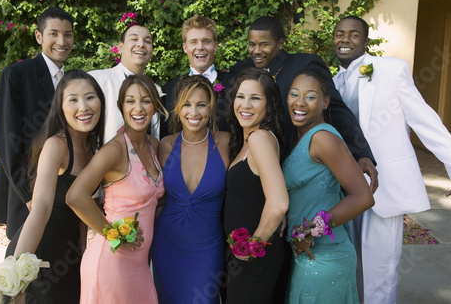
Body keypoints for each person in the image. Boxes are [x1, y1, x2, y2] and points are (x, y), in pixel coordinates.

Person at [332, 15, 451, 304]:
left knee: (380, 270)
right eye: (340, 34)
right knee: (351, 267)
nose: (345, 39)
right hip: (345, 188)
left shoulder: (389, 69)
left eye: (353, 34)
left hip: (384, 187)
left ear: (365, 40)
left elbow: (423, 119)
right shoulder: (332, 81)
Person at [229, 16, 377, 184]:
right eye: (252, 44)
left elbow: (335, 109)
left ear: (280, 44)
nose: (256, 51)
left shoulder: (304, 63)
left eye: (264, 44)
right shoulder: (241, 70)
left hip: (295, 166)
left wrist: (362, 153)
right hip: (252, 167)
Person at [5, 70, 105, 303]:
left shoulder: (94, 148)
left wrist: (82, 254)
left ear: (100, 100)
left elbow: (84, 209)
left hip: (69, 257)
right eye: (73, 99)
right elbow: (40, 207)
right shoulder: (56, 145)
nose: (84, 107)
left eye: (90, 97)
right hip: (37, 254)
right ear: (60, 107)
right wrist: (17, 272)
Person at [66, 74, 168, 304]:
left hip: (140, 266)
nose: (138, 108)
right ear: (121, 106)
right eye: (130, 101)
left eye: (146, 100)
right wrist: (117, 236)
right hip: (112, 262)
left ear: (155, 106)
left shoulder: (154, 145)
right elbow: (75, 196)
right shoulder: (114, 149)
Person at [283, 68, 374, 303]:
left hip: (324, 257)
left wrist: (309, 230)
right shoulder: (304, 135)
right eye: (294, 94)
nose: (300, 102)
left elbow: (362, 197)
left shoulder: (323, 138)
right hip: (307, 253)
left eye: (310, 96)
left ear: (326, 102)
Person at [0, 7, 74, 240]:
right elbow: (6, 139)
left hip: (64, 193)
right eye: (54, 34)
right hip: (27, 193)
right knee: (24, 267)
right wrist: (30, 194)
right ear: (39, 37)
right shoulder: (17, 75)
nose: (62, 41)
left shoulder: (74, 80)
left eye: (68, 34)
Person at [152, 75, 230, 304]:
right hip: (167, 243)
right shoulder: (166, 144)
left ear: (211, 107)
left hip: (208, 246)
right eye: (186, 104)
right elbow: (152, 194)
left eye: (201, 104)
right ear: (177, 108)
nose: (193, 112)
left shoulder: (226, 142)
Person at [223, 68, 289, 303]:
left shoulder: (260, 138)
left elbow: (279, 203)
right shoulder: (248, 139)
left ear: (269, 105)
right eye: (240, 97)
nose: (245, 105)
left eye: (255, 98)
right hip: (241, 258)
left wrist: (252, 247)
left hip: (254, 259)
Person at [160, 14, 232, 138]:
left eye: (206, 41)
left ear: (215, 46)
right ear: (185, 47)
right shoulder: (168, 90)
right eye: (194, 42)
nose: (200, 47)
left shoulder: (234, 85)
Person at [89, 25, 155, 143]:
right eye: (134, 39)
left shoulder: (155, 89)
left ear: (152, 52)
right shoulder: (96, 80)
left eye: (147, 41)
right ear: (120, 47)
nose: (141, 44)